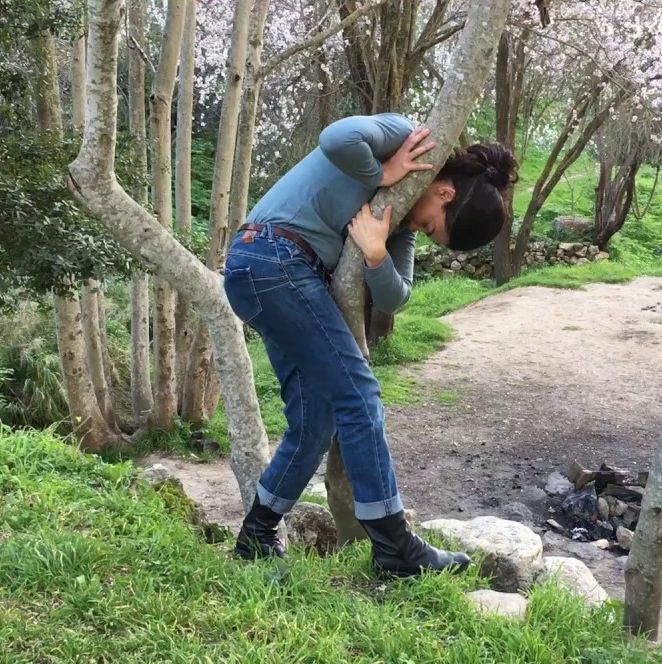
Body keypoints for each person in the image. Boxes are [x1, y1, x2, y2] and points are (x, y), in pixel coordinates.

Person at [222, 113, 518, 578]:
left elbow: (396, 294)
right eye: (433, 228)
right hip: (271, 258)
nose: (422, 232)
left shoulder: (397, 222)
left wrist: (377, 253)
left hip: (274, 276)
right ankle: (394, 544)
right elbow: (335, 136)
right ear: (445, 193)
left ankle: (257, 533)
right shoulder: (406, 140)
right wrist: (383, 173)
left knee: (314, 423)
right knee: (360, 396)